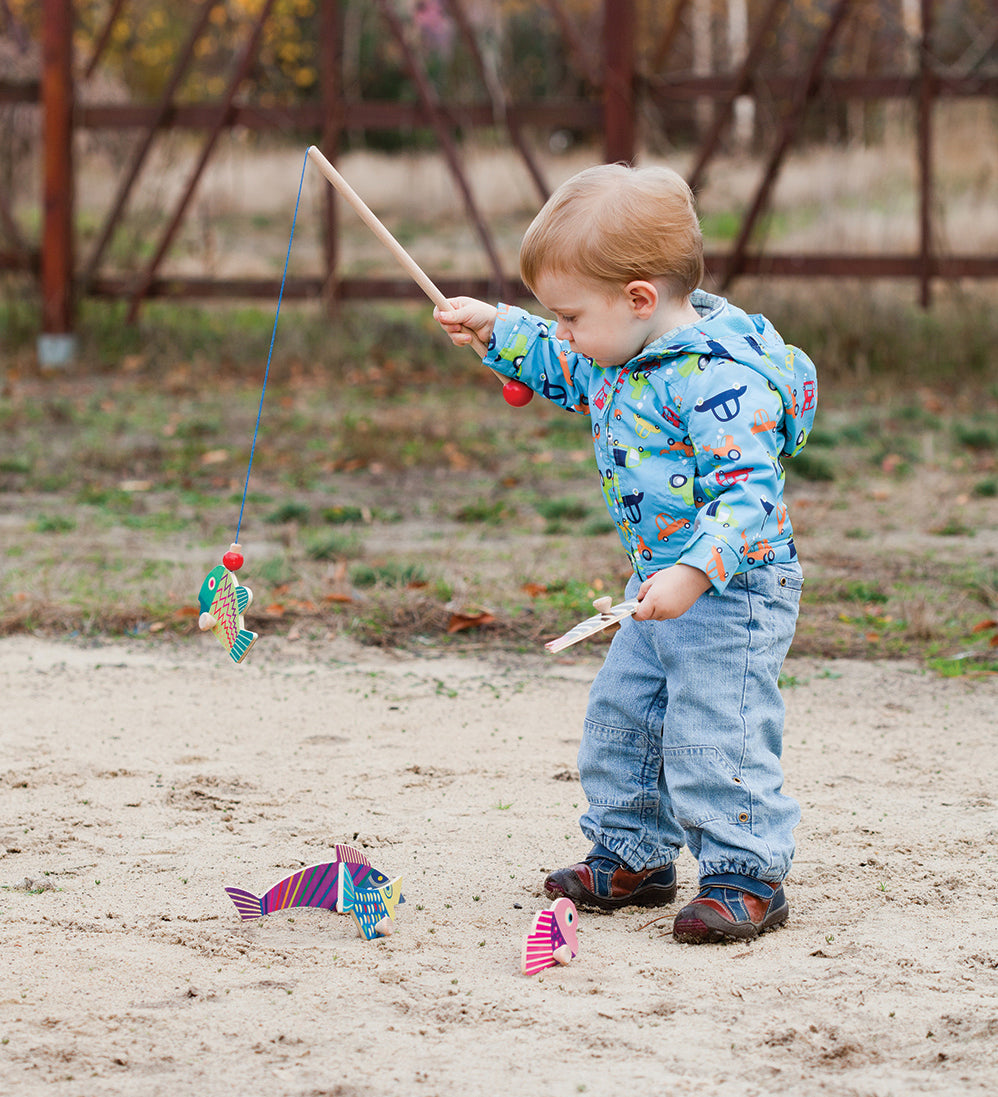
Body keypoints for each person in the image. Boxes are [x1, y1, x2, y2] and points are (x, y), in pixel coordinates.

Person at [434, 163, 817, 943]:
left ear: (639, 298)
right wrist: (497, 329)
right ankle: (635, 854)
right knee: (625, 716)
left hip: (732, 587)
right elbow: (563, 363)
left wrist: (692, 571)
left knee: (717, 727)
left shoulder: (720, 383)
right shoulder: (620, 356)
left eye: (569, 314)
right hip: (658, 584)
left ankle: (746, 872)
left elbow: (749, 497)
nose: (564, 330)